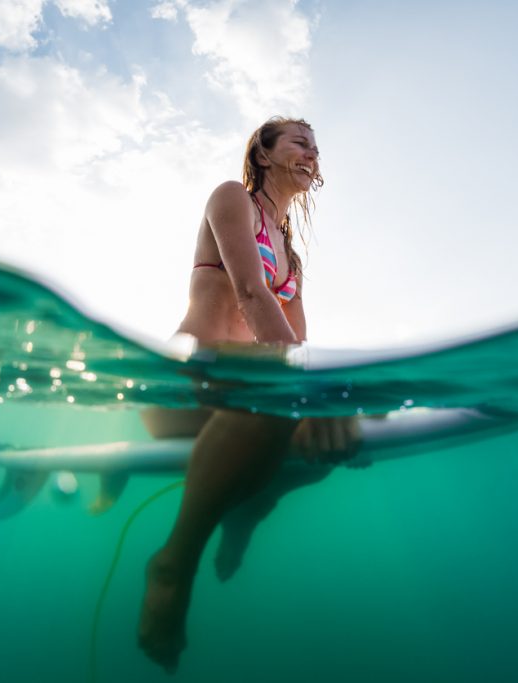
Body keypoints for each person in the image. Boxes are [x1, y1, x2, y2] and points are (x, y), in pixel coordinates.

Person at [137, 117, 358, 673]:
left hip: (247, 392)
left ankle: (247, 514)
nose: (312, 151)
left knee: (334, 432)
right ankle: (174, 562)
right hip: (182, 388)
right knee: (290, 400)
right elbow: (251, 294)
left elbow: (297, 346)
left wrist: (319, 405)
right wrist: (303, 398)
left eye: (316, 146)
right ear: (263, 153)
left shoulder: (294, 255)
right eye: (299, 142)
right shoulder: (232, 197)